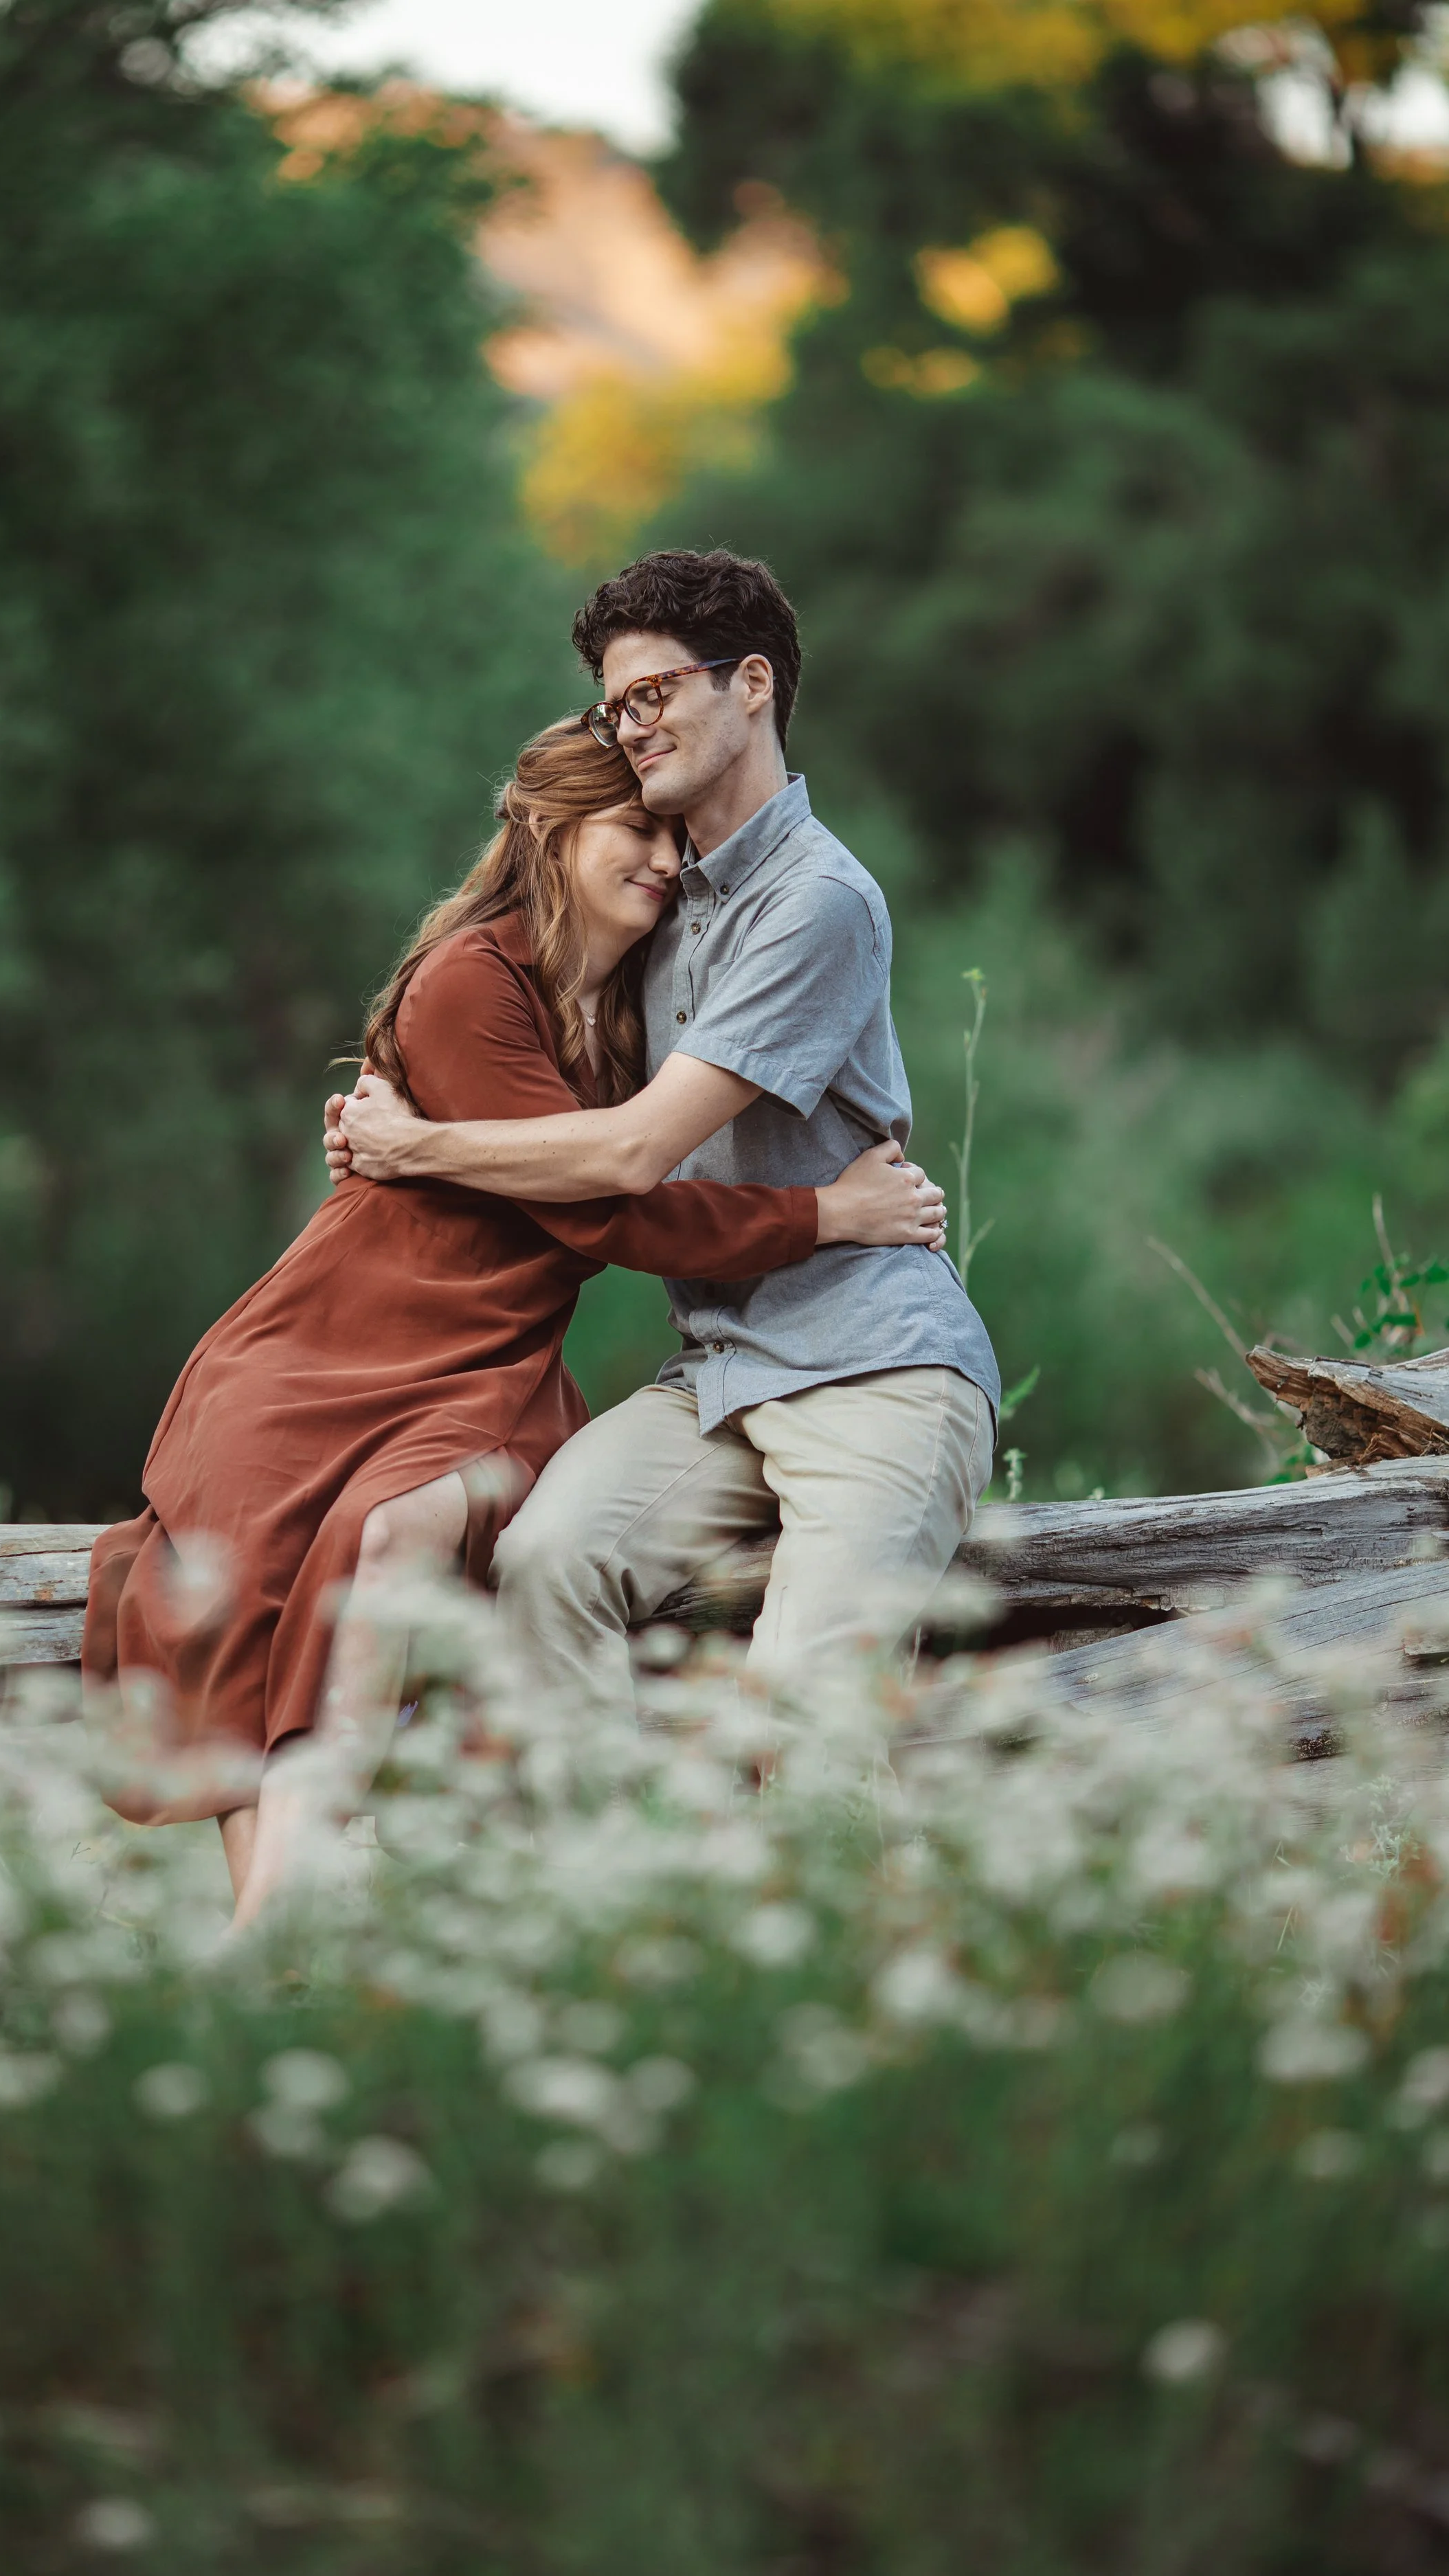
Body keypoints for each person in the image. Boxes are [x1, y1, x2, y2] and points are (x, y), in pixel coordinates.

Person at [83, 716, 947, 1925]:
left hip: (485, 1362)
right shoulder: (469, 979)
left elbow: (634, 1175)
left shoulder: (644, 997)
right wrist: (827, 1214)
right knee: (258, 1583)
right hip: (332, 1345)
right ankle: (283, 1926)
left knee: (399, 1534)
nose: (661, 855)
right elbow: (614, 1217)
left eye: (670, 832)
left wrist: (421, 1143)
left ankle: (317, 1923)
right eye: (632, 827)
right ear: (550, 830)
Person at [329, 549, 1000, 1717]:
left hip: (875, 1364)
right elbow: (528, 1035)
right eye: (616, 703)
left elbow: (634, 1152)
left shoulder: (818, 902)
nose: (632, 725)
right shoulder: (661, 896)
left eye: (656, 694)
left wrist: (419, 1145)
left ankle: (828, 1897)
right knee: (541, 1568)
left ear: (751, 685)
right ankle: (621, 1888)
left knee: (807, 1695)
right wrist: (400, 1092)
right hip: (719, 1371)